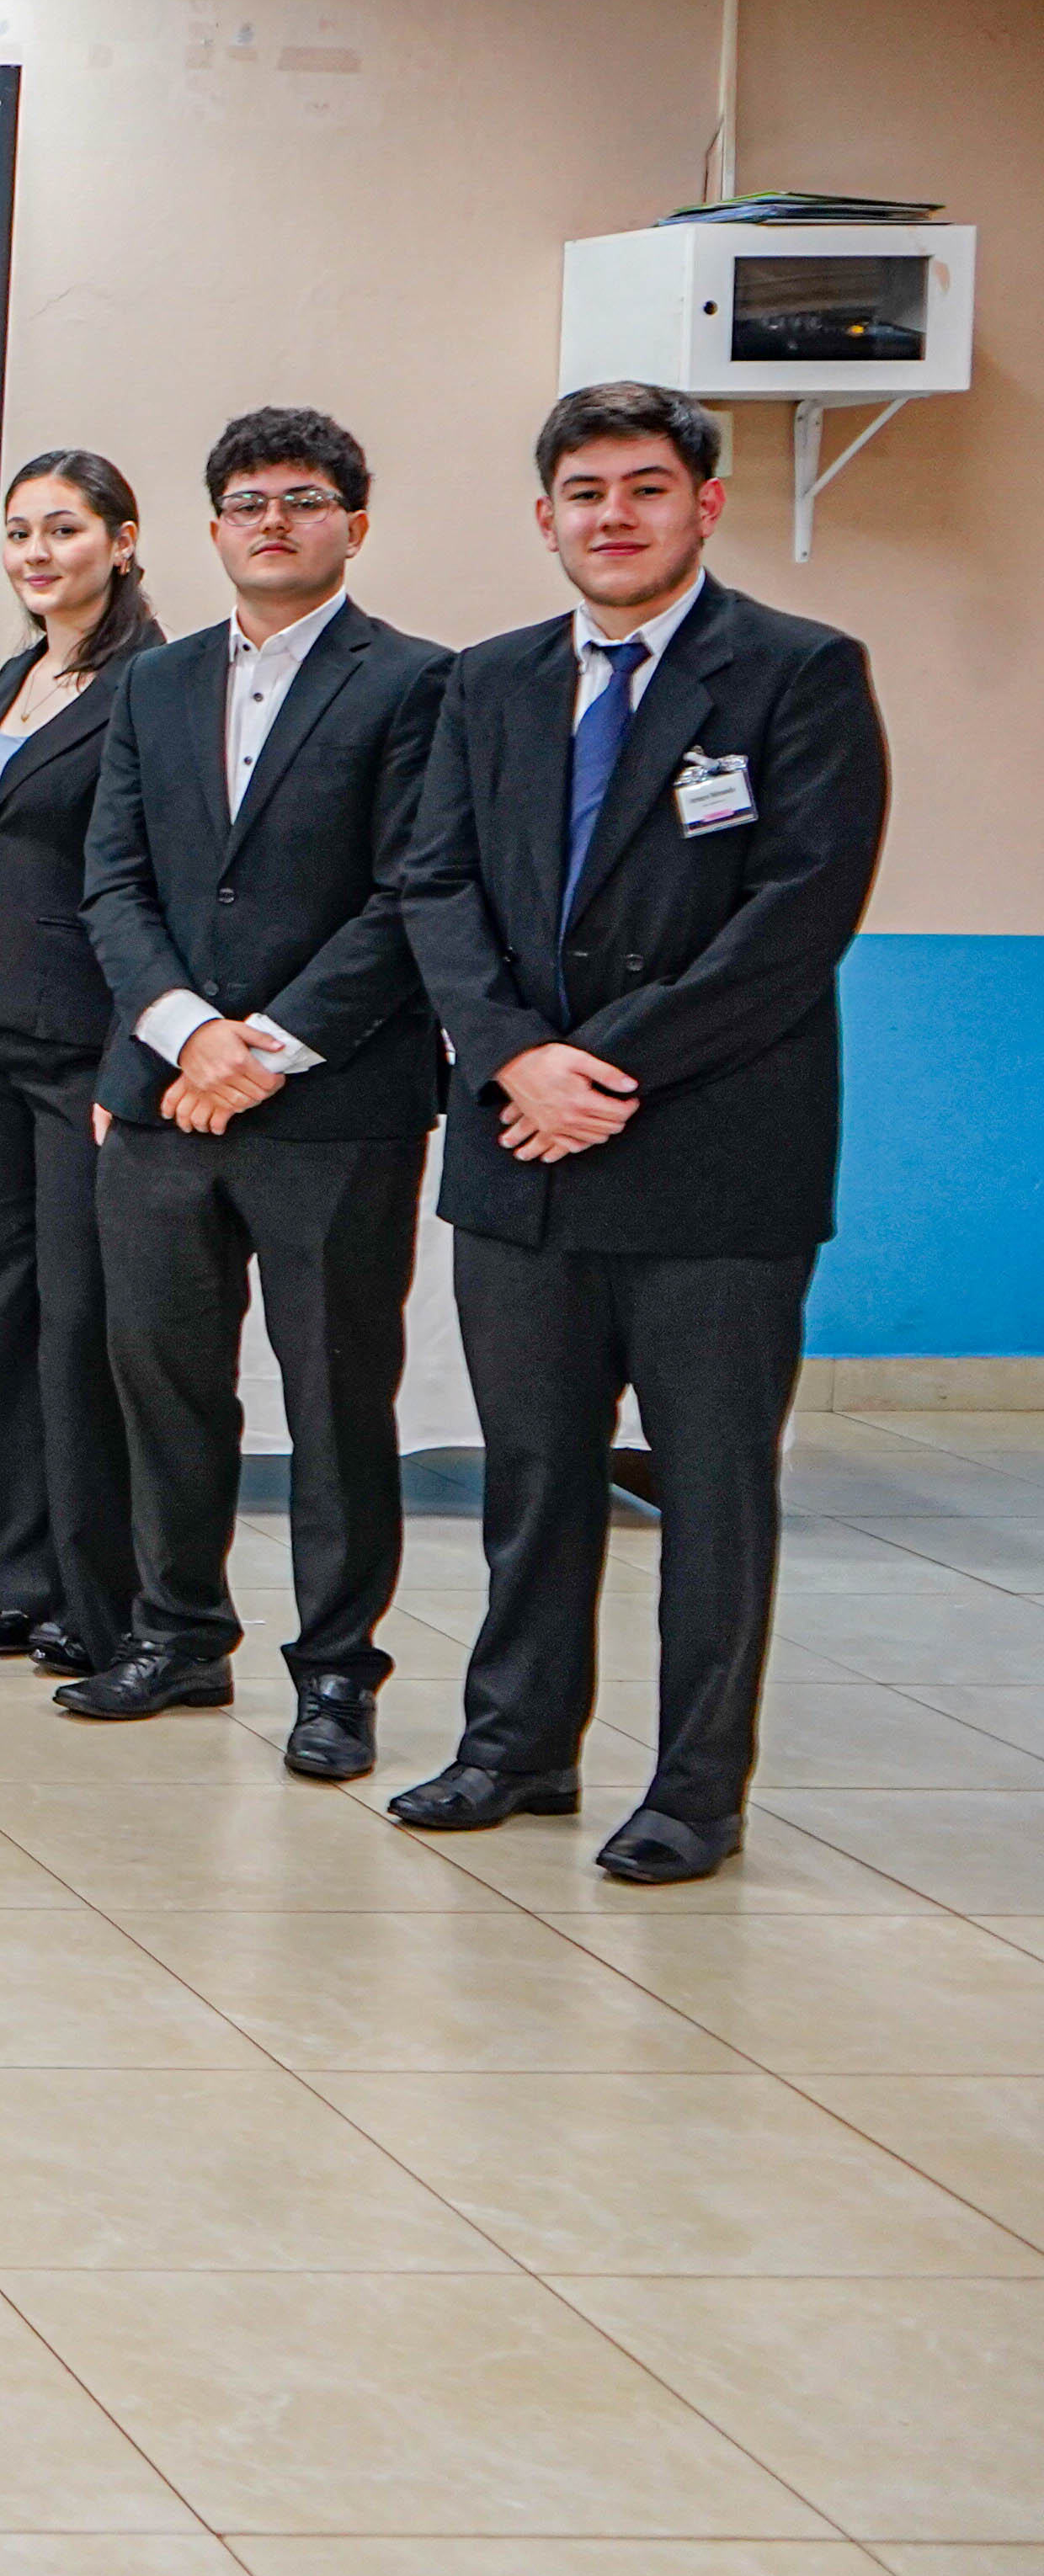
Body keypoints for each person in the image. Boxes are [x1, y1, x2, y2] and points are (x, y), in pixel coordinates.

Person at [391, 382, 887, 1886]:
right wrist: (511, 1058)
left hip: (713, 1161)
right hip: (519, 1157)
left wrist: (593, 1068)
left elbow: (796, 919)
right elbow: (433, 887)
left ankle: (693, 1791)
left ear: (705, 505)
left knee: (712, 1486)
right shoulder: (487, 686)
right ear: (544, 517)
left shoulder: (795, 674)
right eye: (586, 491)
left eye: (647, 488)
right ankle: (514, 1748)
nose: (615, 516)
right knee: (534, 1473)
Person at [64, 407, 450, 1778]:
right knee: (165, 1380)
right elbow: (111, 881)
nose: (271, 521)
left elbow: (413, 896)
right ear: (212, 528)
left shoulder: (418, 684)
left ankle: (337, 1674)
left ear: (354, 518)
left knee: (336, 1395)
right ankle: (178, 1633)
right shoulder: (154, 685)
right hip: (166, 1094)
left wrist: (266, 1046)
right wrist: (185, 1034)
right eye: (244, 502)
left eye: (301, 499)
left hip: (335, 1106)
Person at [0, 450, 158, 1667]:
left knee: (78, 1319)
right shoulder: (15, 674)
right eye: (19, 533)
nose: (37, 553)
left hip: (80, 1046)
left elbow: (146, 878)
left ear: (121, 541)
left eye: (65, 529)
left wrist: (134, 1058)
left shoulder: (154, 683)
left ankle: (90, 1587)